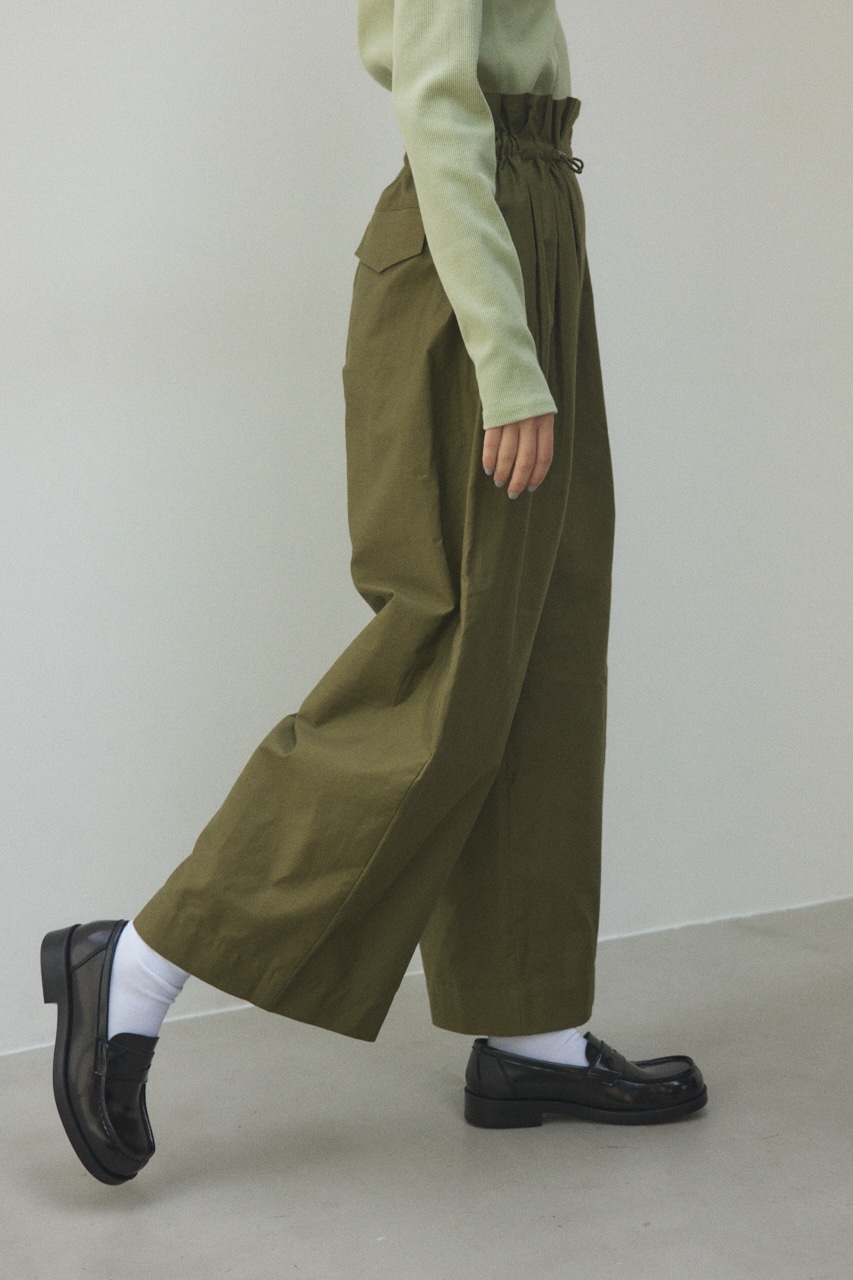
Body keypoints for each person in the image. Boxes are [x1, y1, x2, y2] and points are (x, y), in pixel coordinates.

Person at [40, 0, 707, 1187]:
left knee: (541, 651)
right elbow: (440, 103)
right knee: (445, 662)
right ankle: (138, 958)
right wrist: (506, 359)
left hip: (525, 212)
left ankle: (530, 1030)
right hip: (476, 235)